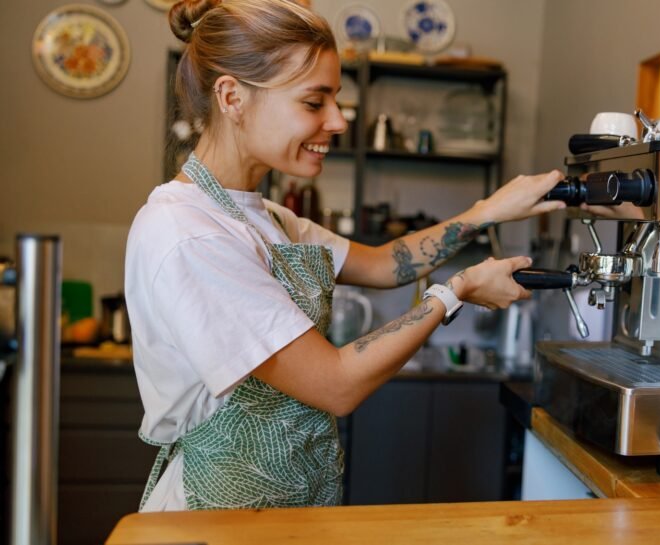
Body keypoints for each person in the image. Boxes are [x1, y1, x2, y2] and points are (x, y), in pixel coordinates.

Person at [124, 0, 565, 512]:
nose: (337, 120)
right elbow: (335, 383)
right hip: (219, 512)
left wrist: (488, 211)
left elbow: (382, 264)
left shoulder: (268, 218)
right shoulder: (190, 233)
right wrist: (455, 291)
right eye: (314, 102)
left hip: (294, 505)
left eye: (336, 99)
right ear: (231, 97)